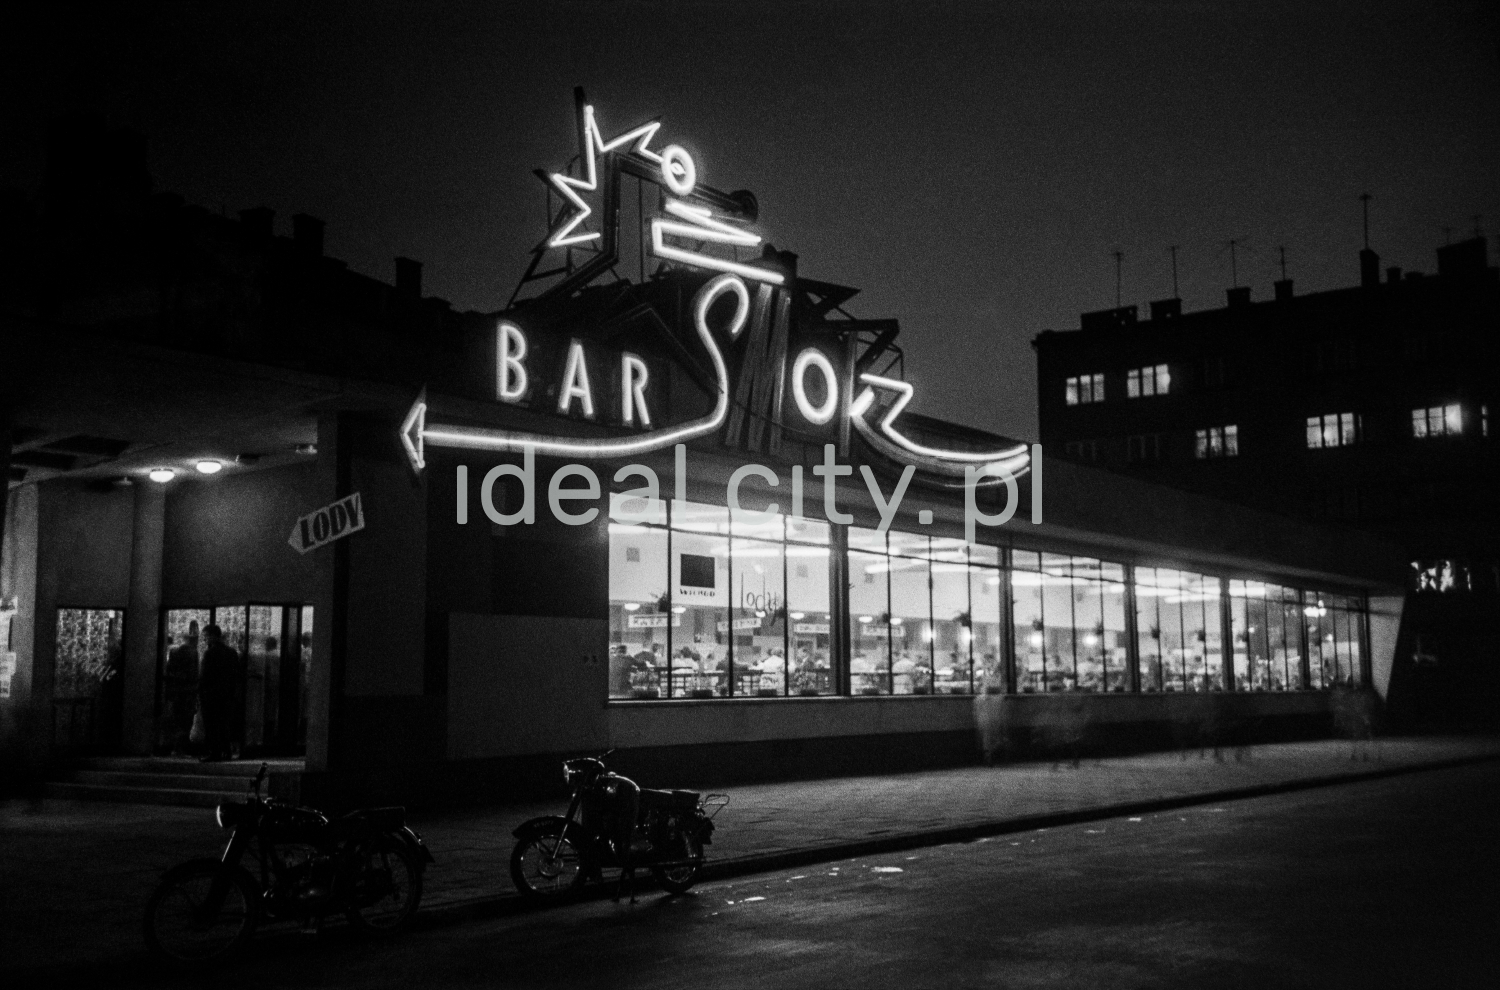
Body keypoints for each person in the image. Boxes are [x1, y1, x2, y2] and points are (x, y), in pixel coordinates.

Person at [197, 624, 241, 761]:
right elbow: (236, 674)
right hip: (227, 694)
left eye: (206, 636)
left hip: (211, 694)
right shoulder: (232, 652)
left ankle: (215, 752)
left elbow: (204, 676)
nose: (205, 639)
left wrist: (200, 692)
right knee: (224, 724)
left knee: (212, 724)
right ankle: (226, 751)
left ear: (212, 636)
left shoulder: (210, 653)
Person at [162, 626, 199, 755]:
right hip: (188, 692)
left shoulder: (175, 653)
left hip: (177, 692)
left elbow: (169, 671)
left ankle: (175, 746)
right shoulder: (193, 653)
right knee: (186, 721)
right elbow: (194, 674)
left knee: (177, 720)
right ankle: (182, 746)